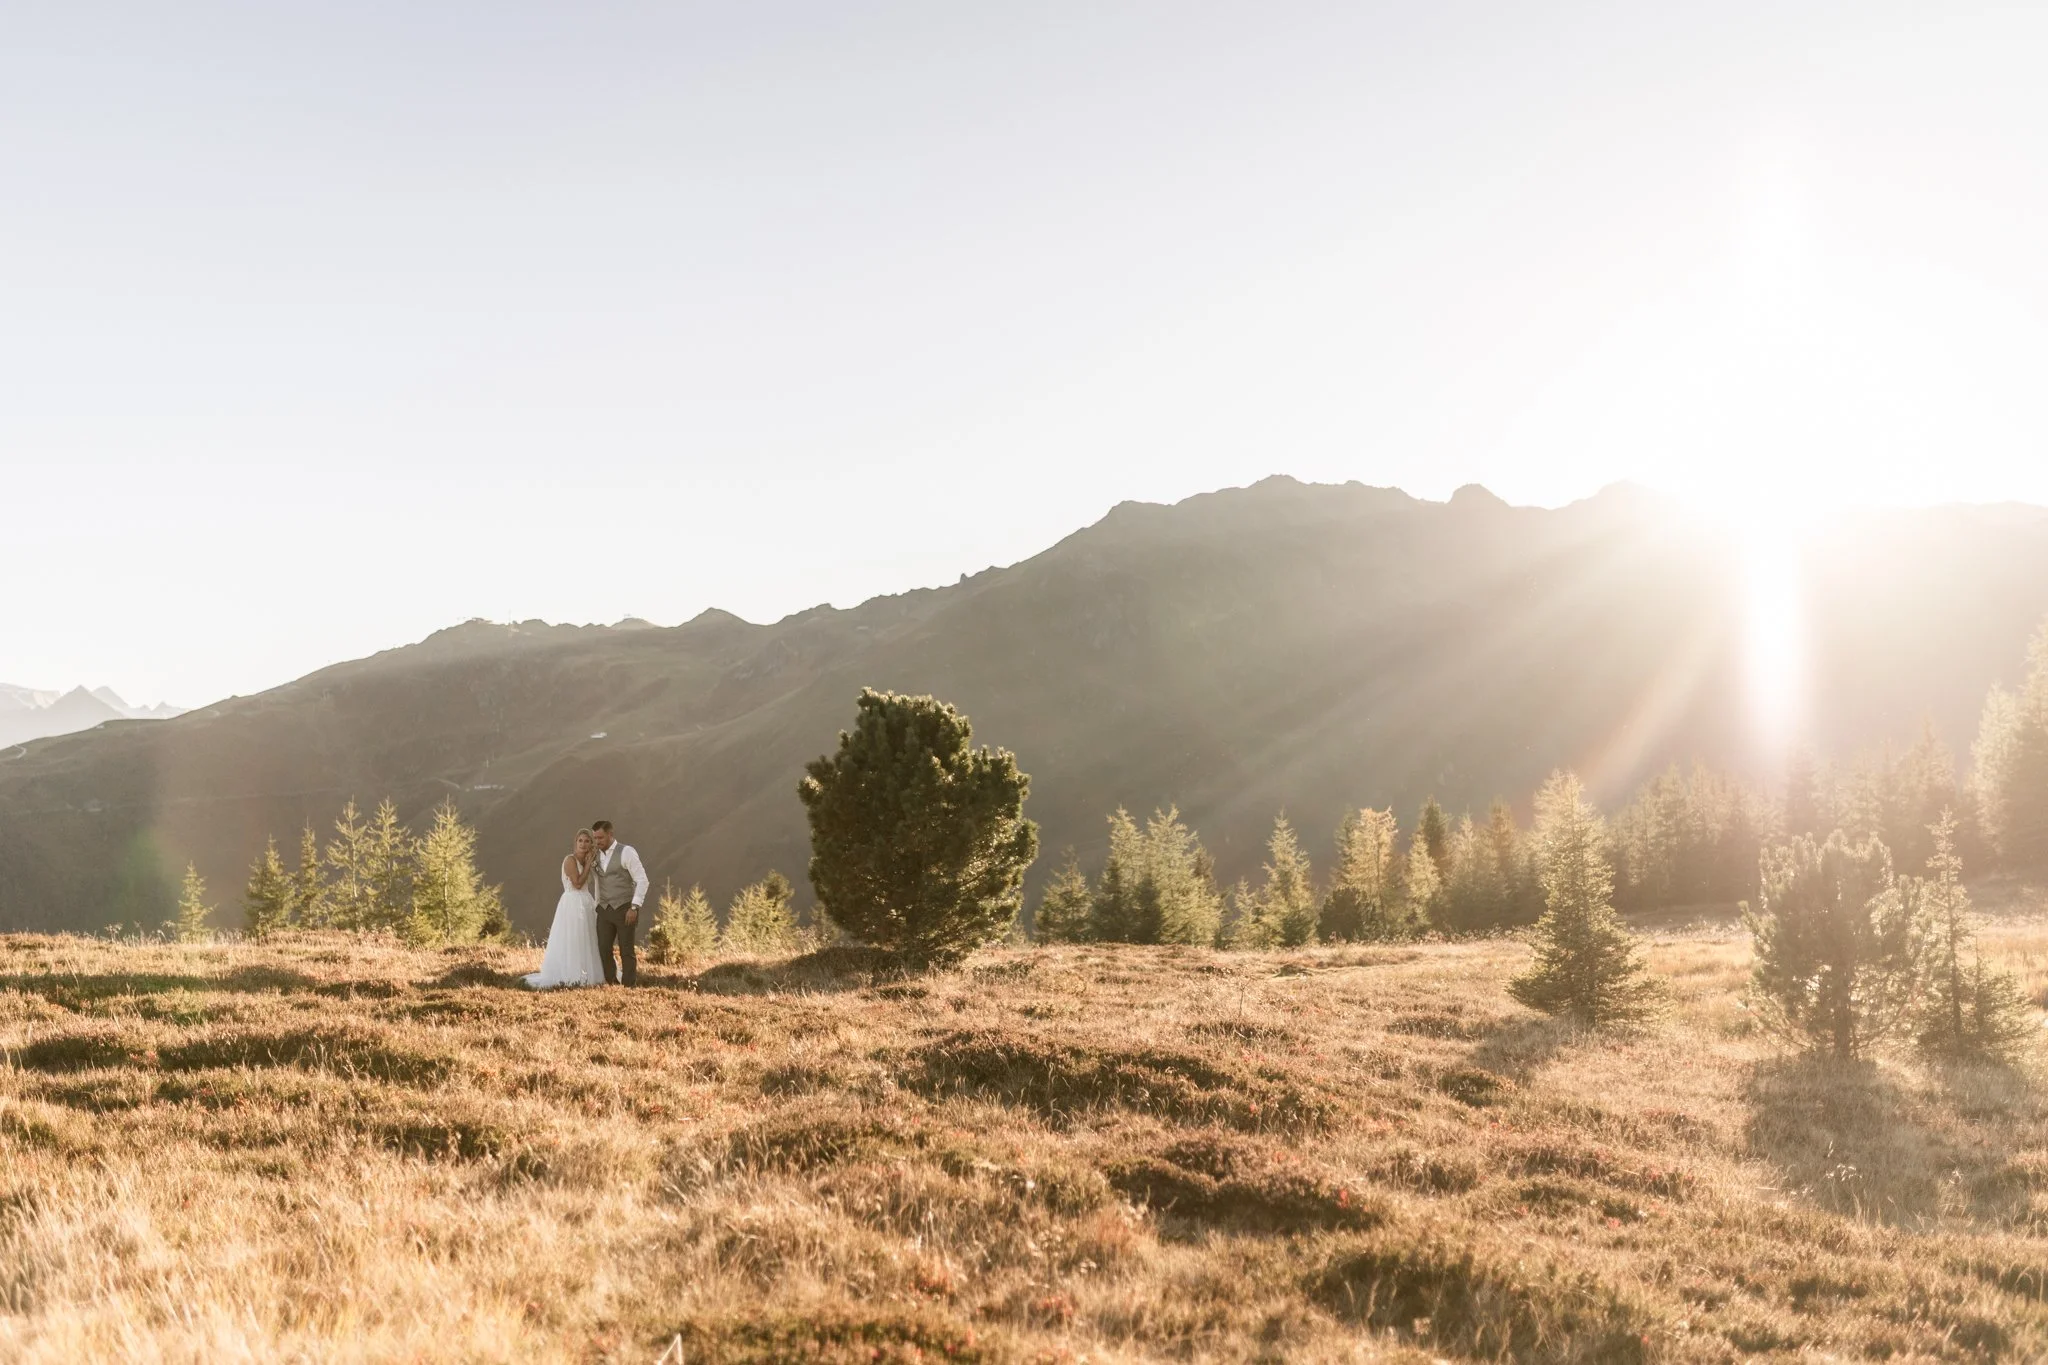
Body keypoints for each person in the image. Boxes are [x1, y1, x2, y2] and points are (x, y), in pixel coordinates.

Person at [524, 829, 604, 989]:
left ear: (590, 844)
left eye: (587, 841)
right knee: (573, 938)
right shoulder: (570, 860)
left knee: (588, 938)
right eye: (580, 840)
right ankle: (570, 974)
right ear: (576, 842)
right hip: (572, 903)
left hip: (587, 902)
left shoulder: (588, 860)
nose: (583, 844)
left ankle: (590, 973)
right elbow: (577, 883)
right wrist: (588, 864)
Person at [589, 819, 649, 986]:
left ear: (610, 834)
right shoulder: (595, 854)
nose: (597, 842)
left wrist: (634, 907)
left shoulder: (627, 852)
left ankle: (630, 986)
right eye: (595, 838)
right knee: (603, 948)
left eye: (600, 838)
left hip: (625, 908)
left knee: (626, 950)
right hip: (604, 909)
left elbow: (642, 880)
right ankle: (611, 983)